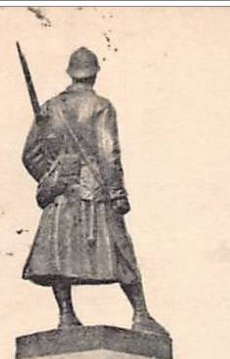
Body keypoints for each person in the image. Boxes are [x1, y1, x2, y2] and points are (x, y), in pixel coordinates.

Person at [21, 47, 167, 335]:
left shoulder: (50, 108)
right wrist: (118, 192)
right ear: (95, 73)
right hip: (94, 191)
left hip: (61, 195)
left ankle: (66, 315)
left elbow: (30, 155)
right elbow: (108, 151)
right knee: (121, 250)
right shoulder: (101, 106)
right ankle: (140, 314)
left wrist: (53, 177)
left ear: (70, 73)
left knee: (58, 254)